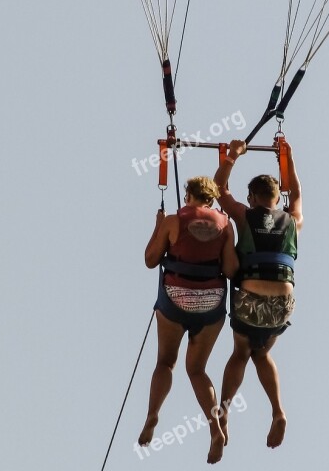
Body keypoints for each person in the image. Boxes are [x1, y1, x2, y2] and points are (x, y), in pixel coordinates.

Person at [141, 176, 239, 464]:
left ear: (188, 196)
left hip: (175, 300)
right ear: (211, 198)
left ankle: (152, 415)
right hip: (211, 304)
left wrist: (158, 227)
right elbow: (232, 270)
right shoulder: (225, 225)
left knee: (165, 362)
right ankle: (214, 429)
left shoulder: (173, 221)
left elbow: (150, 259)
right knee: (196, 370)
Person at [213, 139, 303, 449]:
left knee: (241, 353)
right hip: (282, 304)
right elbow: (299, 195)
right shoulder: (293, 220)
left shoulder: (244, 215)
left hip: (250, 300)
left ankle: (222, 413)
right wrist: (287, 159)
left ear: (252, 197)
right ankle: (278, 411)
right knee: (262, 352)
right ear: (278, 198)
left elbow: (218, 189)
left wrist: (232, 157)